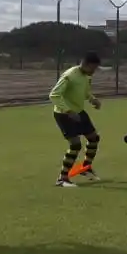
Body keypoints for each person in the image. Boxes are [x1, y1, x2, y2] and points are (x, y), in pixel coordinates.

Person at [49, 52, 103, 187]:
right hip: (64, 114)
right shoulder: (69, 76)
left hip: (78, 111)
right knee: (75, 145)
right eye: (93, 68)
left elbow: (84, 91)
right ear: (85, 64)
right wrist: (68, 111)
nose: (94, 72)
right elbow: (54, 95)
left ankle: (85, 168)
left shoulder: (85, 76)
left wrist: (92, 99)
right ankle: (62, 179)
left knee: (94, 138)